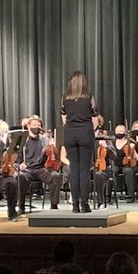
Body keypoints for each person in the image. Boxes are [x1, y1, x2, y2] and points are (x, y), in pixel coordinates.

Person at [60, 71, 101, 214]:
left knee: (74, 170)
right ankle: (84, 204)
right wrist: (90, 129)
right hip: (85, 133)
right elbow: (95, 117)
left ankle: (75, 205)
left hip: (70, 134)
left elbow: (64, 118)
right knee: (84, 170)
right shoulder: (89, 97)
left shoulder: (65, 97)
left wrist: (72, 126)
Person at [17, 114, 63, 213]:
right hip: (27, 169)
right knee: (20, 177)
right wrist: (20, 165)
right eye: (34, 125)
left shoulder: (45, 140)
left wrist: (52, 148)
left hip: (42, 168)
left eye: (39, 125)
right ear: (28, 126)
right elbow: (15, 158)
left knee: (55, 176)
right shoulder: (22, 139)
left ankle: (54, 205)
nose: (37, 127)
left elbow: (52, 157)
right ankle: (21, 206)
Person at [110, 123, 138, 202]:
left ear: (125, 132)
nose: (119, 133)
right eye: (117, 131)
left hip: (128, 165)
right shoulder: (112, 143)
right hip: (116, 164)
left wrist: (133, 150)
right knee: (111, 171)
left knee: (128, 171)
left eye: (121, 131)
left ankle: (130, 196)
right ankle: (107, 196)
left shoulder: (130, 142)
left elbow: (137, 158)